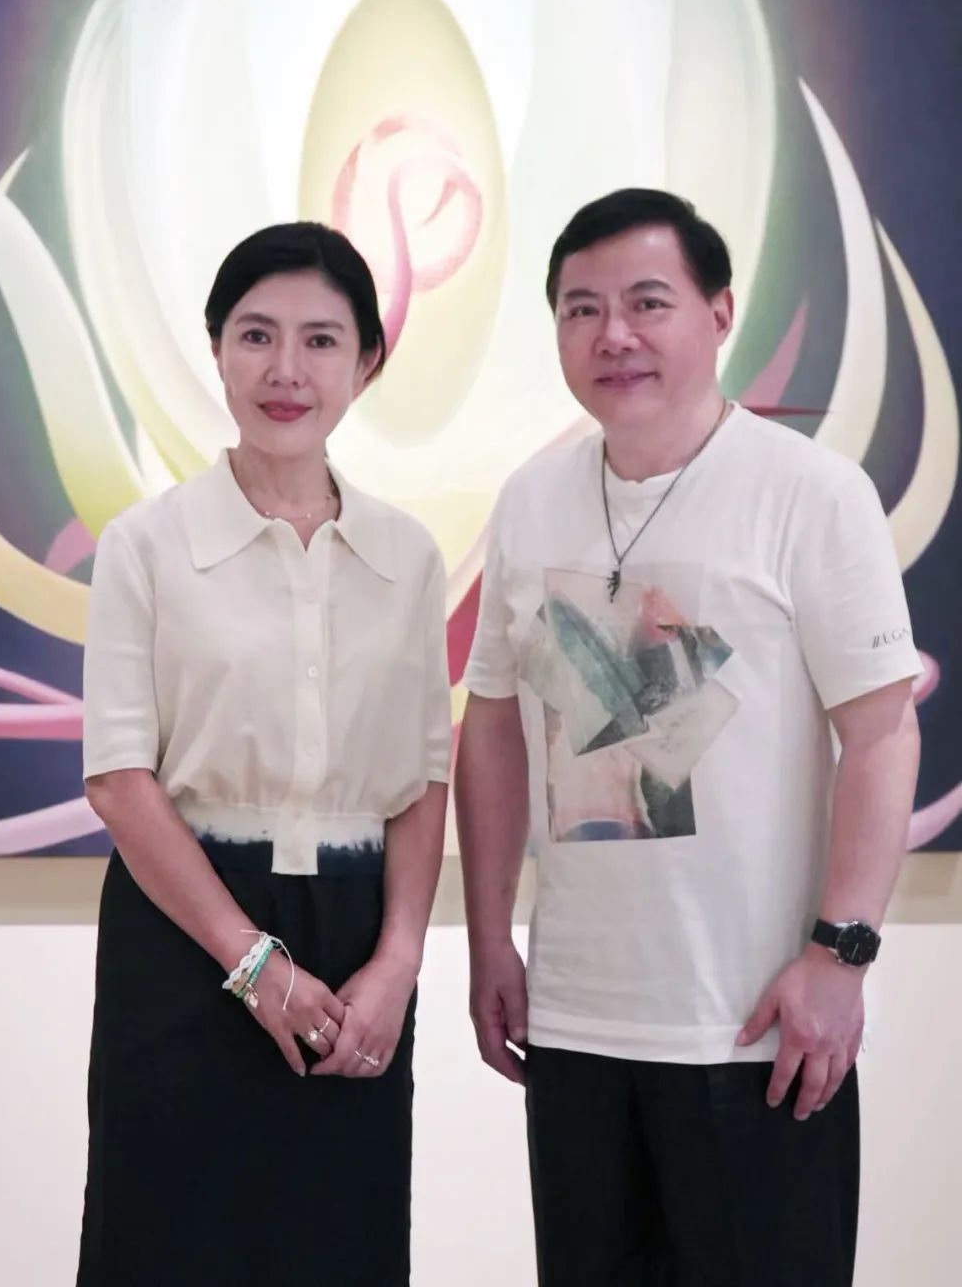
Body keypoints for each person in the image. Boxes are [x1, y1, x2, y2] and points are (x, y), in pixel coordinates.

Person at [456, 188, 921, 1286]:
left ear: (718, 313)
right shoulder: (531, 501)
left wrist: (840, 956)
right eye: (581, 309)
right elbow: (492, 725)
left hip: (757, 1026)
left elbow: (882, 731)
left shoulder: (811, 493)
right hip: (576, 1023)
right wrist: (487, 939)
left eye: (647, 302)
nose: (612, 334)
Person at [78, 222, 450, 1286]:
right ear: (217, 350)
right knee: (167, 1242)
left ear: (367, 362)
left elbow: (422, 779)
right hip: (185, 933)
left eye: (322, 340)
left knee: (339, 1241)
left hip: (355, 943)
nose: (287, 369)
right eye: (256, 335)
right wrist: (250, 961)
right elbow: (119, 778)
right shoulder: (147, 544)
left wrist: (399, 961)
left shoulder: (407, 555)